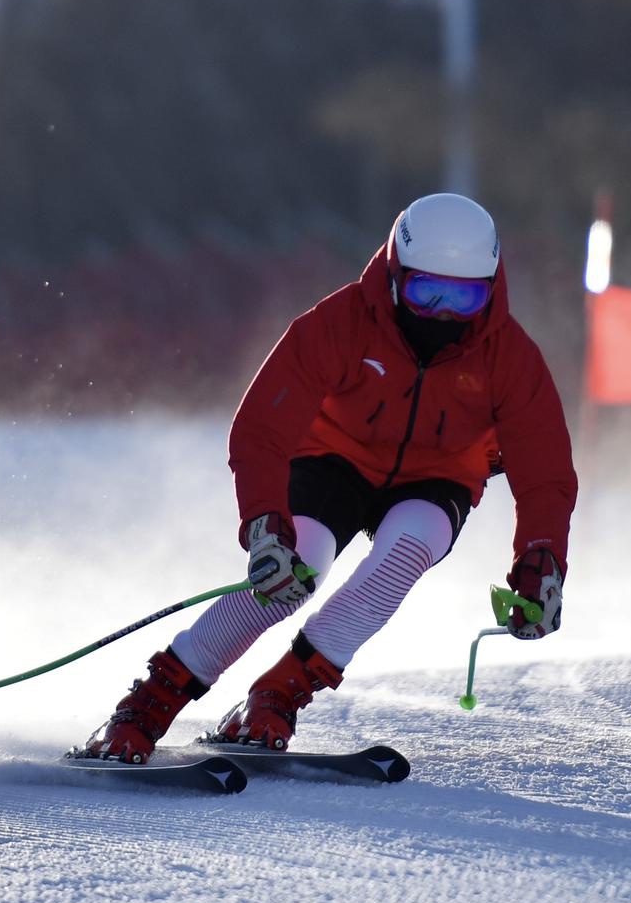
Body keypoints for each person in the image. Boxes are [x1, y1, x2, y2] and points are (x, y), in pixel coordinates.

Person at [76, 193, 578, 762]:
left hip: (438, 478)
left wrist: (542, 560)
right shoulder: (339, 323)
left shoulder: (509, 358)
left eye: (463, 298)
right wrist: (265, 525)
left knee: (405, 551)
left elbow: (546, 476)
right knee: (299, 565)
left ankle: (276, 696)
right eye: (425, 292)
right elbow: (261, 428)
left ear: (490, 290)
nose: (442, 314)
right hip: (333, 460)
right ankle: (147, 705)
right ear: (394, 275)